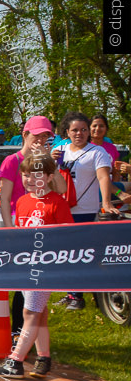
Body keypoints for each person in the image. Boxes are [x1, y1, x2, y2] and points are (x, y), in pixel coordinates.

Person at [0, 153, 72, 378]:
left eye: (36, 176)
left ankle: (15, 361)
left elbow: (69, 236)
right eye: (25, 175)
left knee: (30, 312)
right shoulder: (23, 201)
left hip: (44, 267)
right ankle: (43, 357)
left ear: (50, 176)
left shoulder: (57, 203)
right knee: (39, 313)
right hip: (26, 265)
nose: (29, 180)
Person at [0, 116, 68, 332]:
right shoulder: (12, 161)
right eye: (37, 135)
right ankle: (18, 330)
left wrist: (49, 163)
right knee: (23, 284)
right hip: (22, 225)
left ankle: (33, 332)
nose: (40, 140)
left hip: (44, 226)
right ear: (25, 135)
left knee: (38, 283)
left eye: (45, 136)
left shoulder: (47, 161)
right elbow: (5, 198)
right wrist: (11, 229)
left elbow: (62, 190)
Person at [51, 111, 118, 310]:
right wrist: (49, 158)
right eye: (74, 130)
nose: (79, 133)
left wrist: (106, 202)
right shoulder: (60, 148)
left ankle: (79, 296)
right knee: (66, 254)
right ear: (67, 132)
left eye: (83, 130)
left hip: (85, 210)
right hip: (61, 209)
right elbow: (46, 174)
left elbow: (104, 178)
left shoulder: (97, 152)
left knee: (81, 253)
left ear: (89, 132)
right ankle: (72, 293)